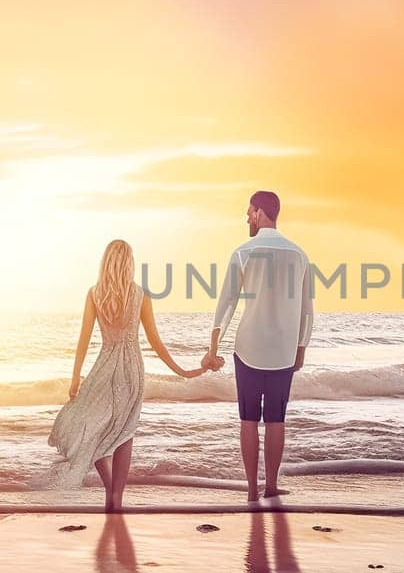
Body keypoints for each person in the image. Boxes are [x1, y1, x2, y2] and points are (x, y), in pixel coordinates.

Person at [47, 239, 217, 511]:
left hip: (104, 364)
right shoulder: (140, 294)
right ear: (129, 264)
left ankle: (109, 489)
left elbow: (83, 339)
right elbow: (155, 341)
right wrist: (182, 371)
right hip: (132, 368)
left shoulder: (94, 293)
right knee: (124, 433)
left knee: (92, 426)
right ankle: (117, 497)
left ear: (106, 262)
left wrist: (76, 377)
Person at [203, 190, 314, 501]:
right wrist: (301, 347)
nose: (247, 217)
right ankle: (271, 486)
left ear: (262, 212)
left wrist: (214, 347)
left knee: (248, 419)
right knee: (276, 420)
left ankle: (252, 490)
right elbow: (307, 309)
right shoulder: (299, 254)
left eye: (250, 212)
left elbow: (227, 302)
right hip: (284, 351)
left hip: (248, 348)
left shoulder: (243, 251)